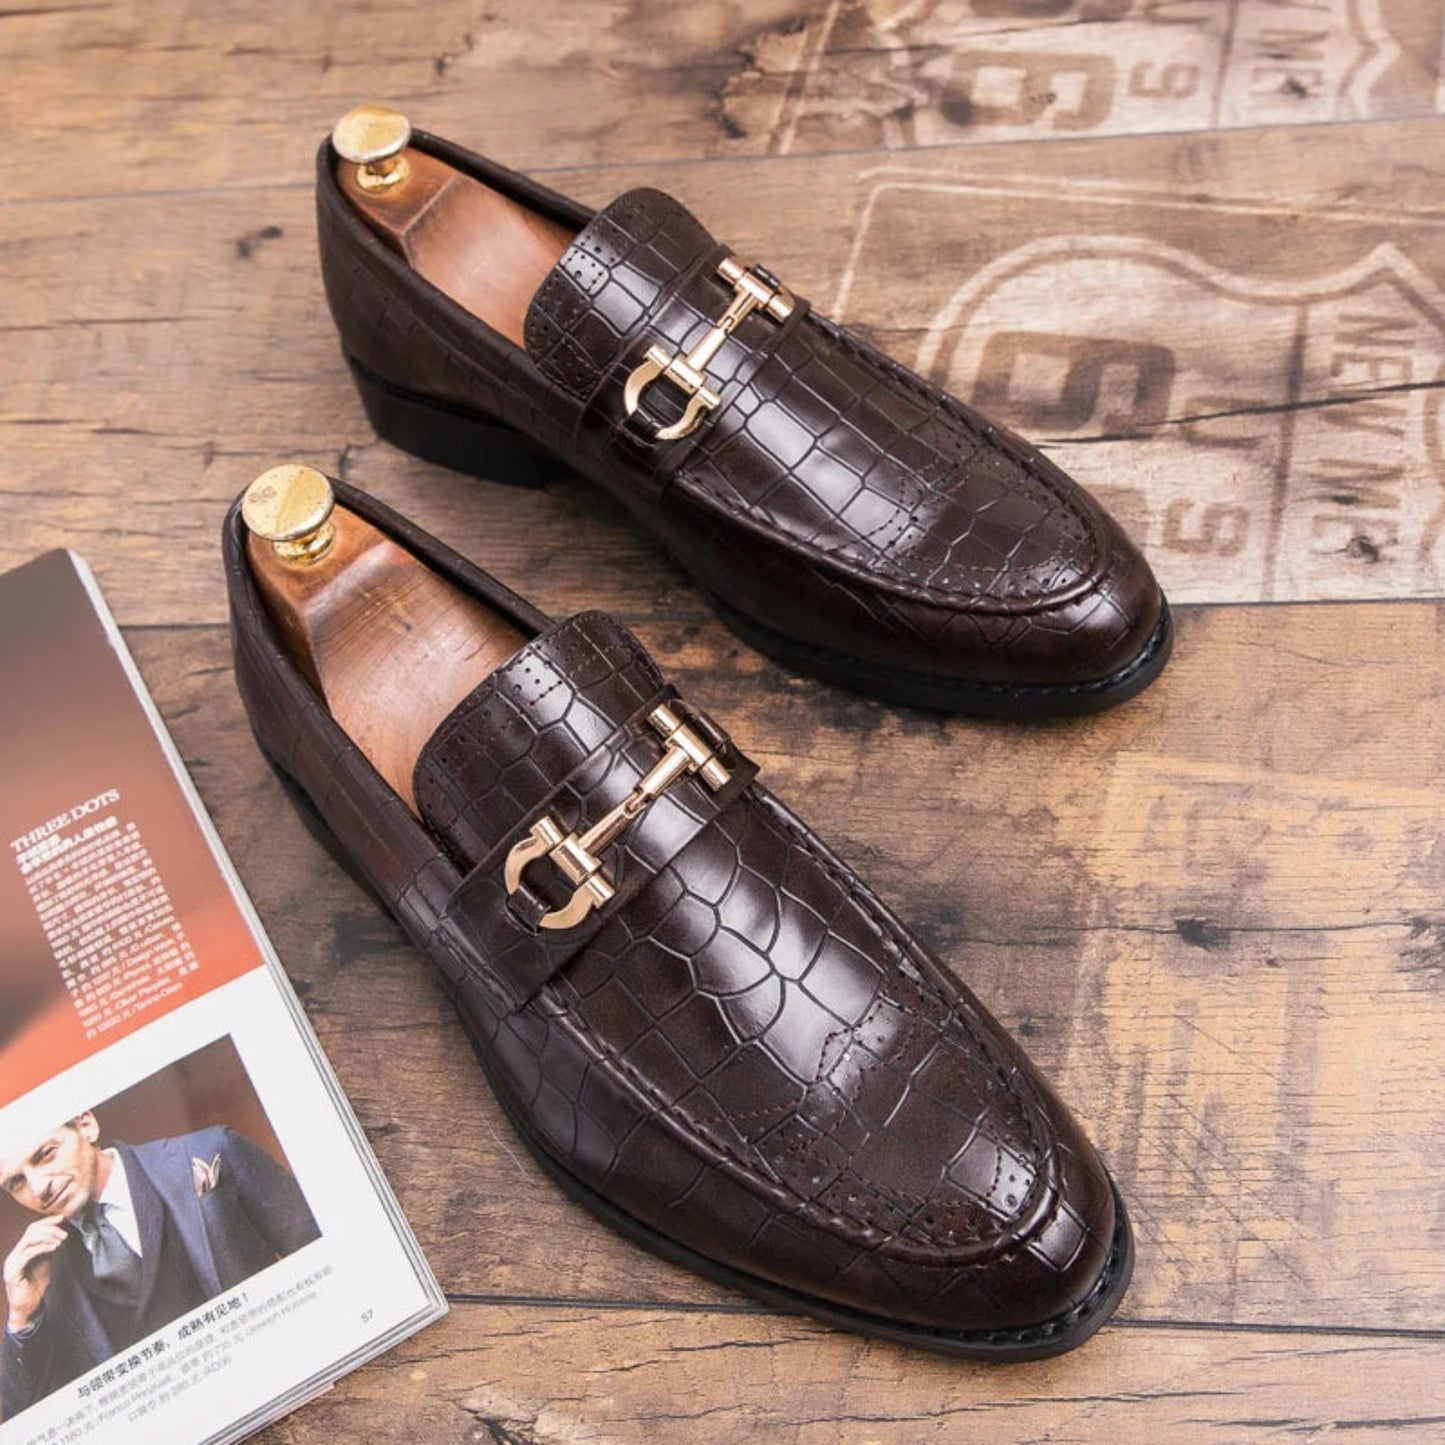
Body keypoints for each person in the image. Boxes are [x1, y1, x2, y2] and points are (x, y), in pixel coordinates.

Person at [0, 1111, 320, 1418]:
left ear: (86, 1125)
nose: (39, 1188)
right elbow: (26, 1419)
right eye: (16, 1182)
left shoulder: (210, 1149)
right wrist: (21, 1319)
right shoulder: (42, 1270)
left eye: (46, 1154)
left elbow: (319, 1256)